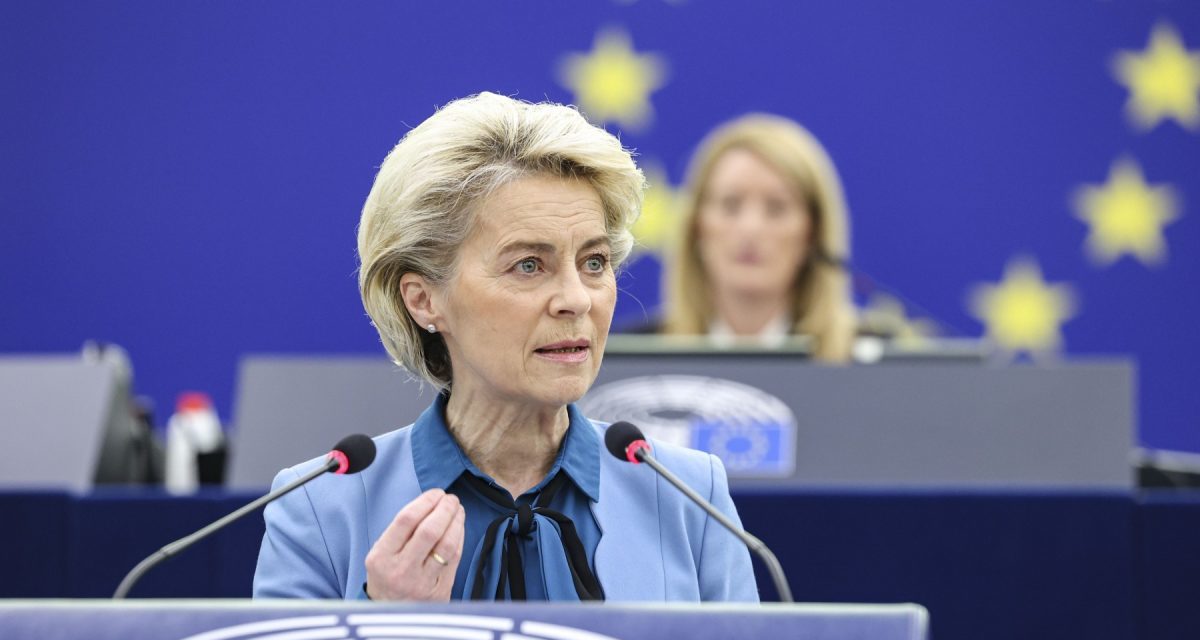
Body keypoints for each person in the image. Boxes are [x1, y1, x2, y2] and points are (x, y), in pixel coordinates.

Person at [253, 93, 759, 603]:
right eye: (529, 265)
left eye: (594, 262)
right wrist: (387, 629)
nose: (576, 299)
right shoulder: (319, 509)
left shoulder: (689, 495)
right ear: (424, 300)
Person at [658, 114, 856, 360]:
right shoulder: (633, 357)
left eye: (776, 208)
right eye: (730, 205)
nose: (750, 228)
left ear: (812, 233)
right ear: (697, 226)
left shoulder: (877, 362)